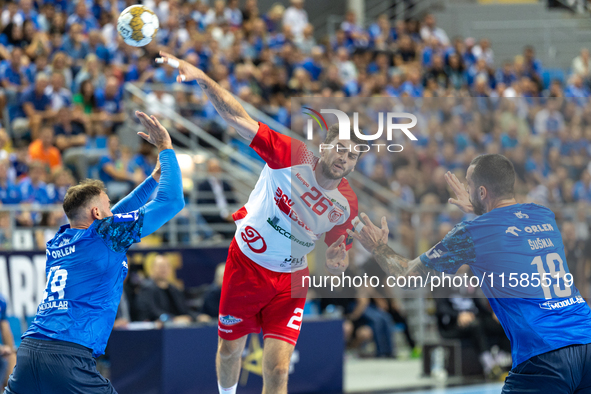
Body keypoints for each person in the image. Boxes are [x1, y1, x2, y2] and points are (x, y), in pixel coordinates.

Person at [156, 50, 360, 394]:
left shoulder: (347, 203)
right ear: (323, 146)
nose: (345, 158)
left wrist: (340, 261)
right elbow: (237, 118)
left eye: (353, 155)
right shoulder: (292, 155)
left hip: (291, 280)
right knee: (230, 350)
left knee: (279, 370)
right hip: (248, 265)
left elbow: (337, 249)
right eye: (340, 148)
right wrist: (205, 80)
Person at [349, 154, 591, 394]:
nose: (465, 189)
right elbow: (506, 230)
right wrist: (482, 208)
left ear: (483, 192)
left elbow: (407, 274)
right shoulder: (544, 215)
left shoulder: (471, 233)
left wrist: (378, 247)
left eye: (469, 184)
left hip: (543, 353)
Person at [3, 111, 184, 394]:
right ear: (97, 212)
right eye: (107, 206)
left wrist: (151, 180)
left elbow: (114, 216)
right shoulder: (104, 233)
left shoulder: (60, 239)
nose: (113, 211)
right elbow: (172, 200)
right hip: (69, 358)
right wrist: (166, 149)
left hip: (29, 353)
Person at [135, 254, 193, 324]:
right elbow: (153, 312)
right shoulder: (147, 289)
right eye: (160, 266)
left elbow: (184, 310)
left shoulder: (174, 290)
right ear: (152, 269)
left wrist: (198, 316)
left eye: (166, 266)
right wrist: (173, 319)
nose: (163, 269)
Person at [0, 294, 16, 389]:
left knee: (12, 357)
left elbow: (5, 328)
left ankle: (11, 388)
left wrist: (10, 350)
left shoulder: (1, 300)